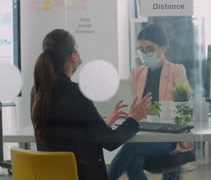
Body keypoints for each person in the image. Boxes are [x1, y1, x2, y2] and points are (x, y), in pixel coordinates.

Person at [31, 29, 151, 180]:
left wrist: (101, 125)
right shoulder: (76, 92)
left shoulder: (38, 91)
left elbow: (64, 135)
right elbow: (111, 142)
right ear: (73, 56)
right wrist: (133, 119)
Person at [108, 24, 194, 180]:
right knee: (132, 161)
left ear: (164, 49)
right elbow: (135, 109)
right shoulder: (136, 73)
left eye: (150, 49)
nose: (145, 54)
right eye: (141, 49)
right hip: (145, 132)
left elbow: (185, 109)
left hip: (168, 137)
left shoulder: (176, 70)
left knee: (130, 148)